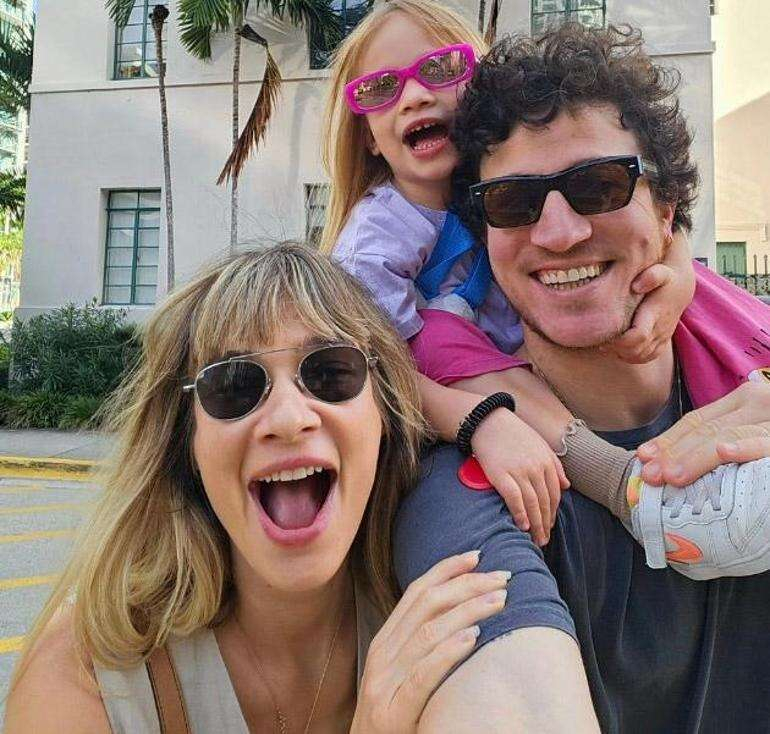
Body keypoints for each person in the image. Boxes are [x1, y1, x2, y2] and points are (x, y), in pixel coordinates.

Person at [394, 25, 770, 733]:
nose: (559, 232)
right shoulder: (482, 488)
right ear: (486, 239)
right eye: (514, 202)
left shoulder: (749, 382)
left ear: (666, 210)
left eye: (599, 186)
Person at [4, 244, 512, 733]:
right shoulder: (85, 677)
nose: (289, 420)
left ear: (383, 417)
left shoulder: (439, 628)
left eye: (330, 372)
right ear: (186, 443)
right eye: (233, 386)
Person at [320, 0, 697, 549]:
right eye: (380, 89)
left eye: (440, 68)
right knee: (438, 336)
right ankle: (621, 484)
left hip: (538, 376)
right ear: (369, 139)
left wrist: (680, 276)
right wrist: (480, 420)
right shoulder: (376, 238)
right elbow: (374, 367)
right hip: (450, 398)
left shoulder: (491, 188)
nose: (415, 95)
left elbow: (657, 213)